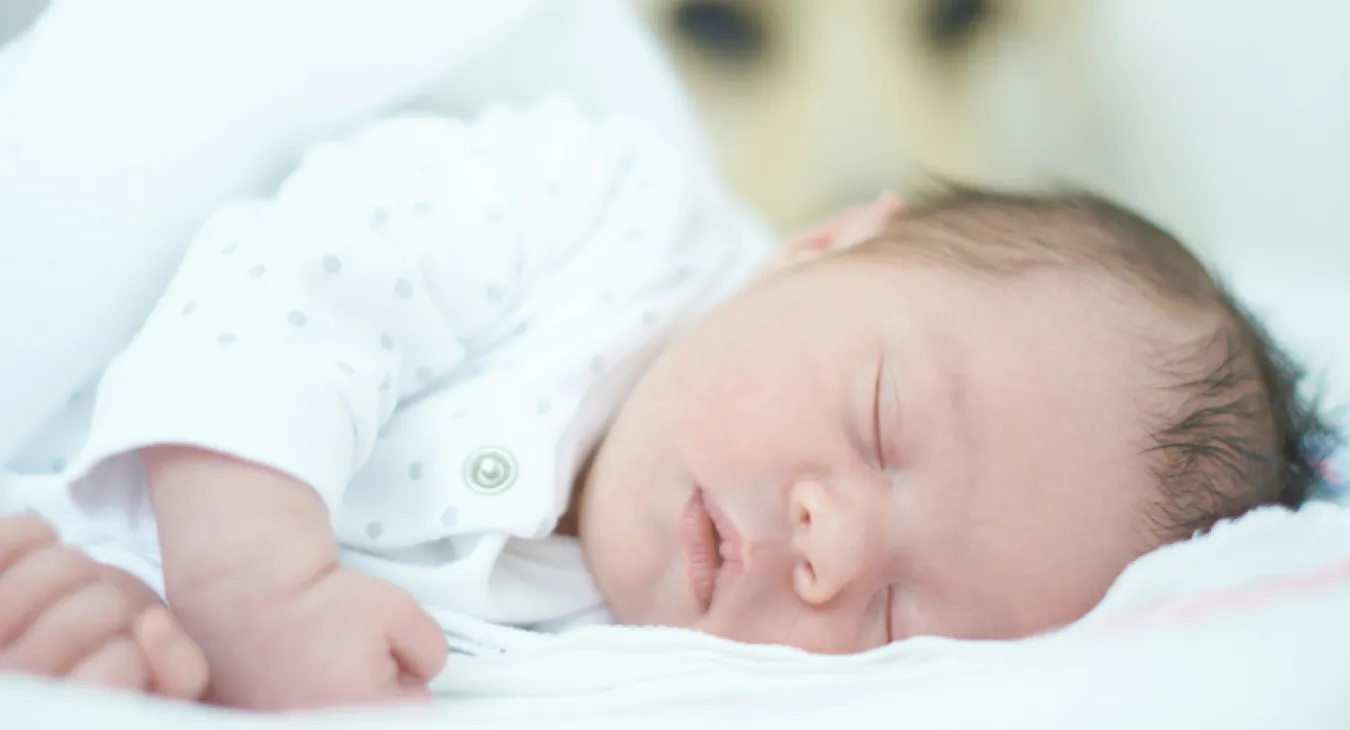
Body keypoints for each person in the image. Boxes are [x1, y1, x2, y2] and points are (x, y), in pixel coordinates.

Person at [0, 100, 1326, 709]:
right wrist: (248, 578)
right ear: (824, 245)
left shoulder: (636, 667)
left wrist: (134, 628)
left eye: (895, 615)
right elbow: (309, 270)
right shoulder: (598, 213)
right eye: (878, 418)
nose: (834, 541)